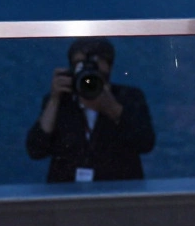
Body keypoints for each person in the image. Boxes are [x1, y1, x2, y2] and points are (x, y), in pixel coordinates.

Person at [26, 38, 156, 182]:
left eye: (95, 63)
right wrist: (54, 99)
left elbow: (145, 143)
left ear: (109, 67)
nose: (89, 71)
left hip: (116, 192)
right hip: (68, 193)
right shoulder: (61, 102)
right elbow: (35, 150)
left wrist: (113, 108)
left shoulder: (128, 98)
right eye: (80, 64)